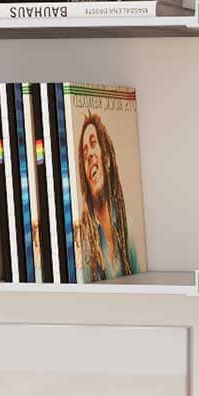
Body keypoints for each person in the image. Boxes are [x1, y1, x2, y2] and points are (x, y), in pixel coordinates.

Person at [73, 111, 139, 280]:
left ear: (106, 160)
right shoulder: (83, 239)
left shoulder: (127, 228)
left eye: (93, 144)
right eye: (84, 151)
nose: (88, 154)